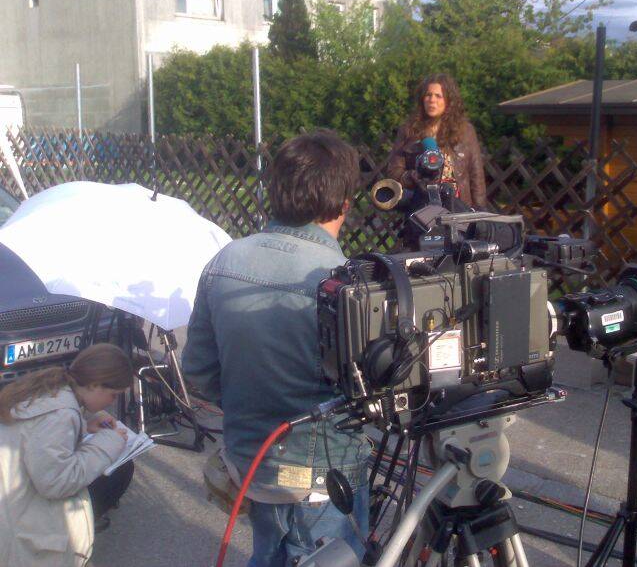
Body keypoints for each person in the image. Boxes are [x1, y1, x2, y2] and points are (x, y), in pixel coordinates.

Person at [181, 129, 370, 567]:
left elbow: (199, 371)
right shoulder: (346, 280)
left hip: (251, 462)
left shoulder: (225, 260)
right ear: (345, 202)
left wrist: (250, 405)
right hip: (325, 474)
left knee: (268, 553)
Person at [0, 343, 134, 567]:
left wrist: (85, 426)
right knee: (119, 472)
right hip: (15, 514)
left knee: (116, 468)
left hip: (12, 488)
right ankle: (80, 530)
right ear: (94, 384)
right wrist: (108, 443)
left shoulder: (53, 386)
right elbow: (56, 483)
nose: (112, 402)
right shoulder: (61, 414)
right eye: (113, 395)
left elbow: (39, 439)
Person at [387, 73, 488, 210]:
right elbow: (394, 172)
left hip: (458, 207)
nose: (432, 100)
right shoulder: (408, 130)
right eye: (428, 95)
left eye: (438, 96)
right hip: (420, 206)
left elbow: (477, 177)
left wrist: (479, 210)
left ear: (449, 100)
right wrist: (415, 176)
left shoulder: (465, 131)